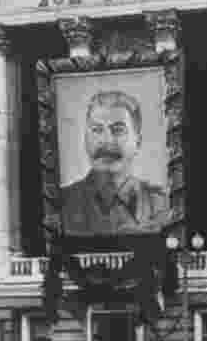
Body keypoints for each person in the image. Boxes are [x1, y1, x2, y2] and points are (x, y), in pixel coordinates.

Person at [60, 90, 170, 236]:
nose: (106, 141)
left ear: (138, 142)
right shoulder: (61, 204)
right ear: (85, 139)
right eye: (97, 130)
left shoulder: (163, 206)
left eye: (118, 130)